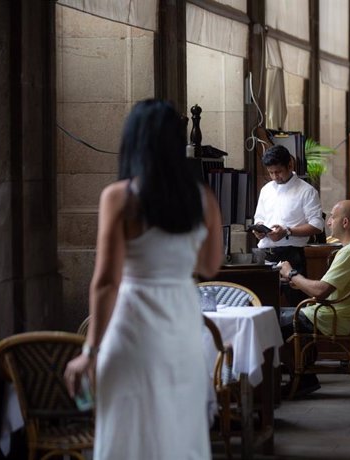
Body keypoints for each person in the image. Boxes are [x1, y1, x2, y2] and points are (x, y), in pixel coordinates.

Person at [64, 100, 223, 460]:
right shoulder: (203, 200)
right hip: (182, 328)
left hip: (133, 326)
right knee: (177, 430)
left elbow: (106, 282)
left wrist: (89, 351)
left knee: (129, 433)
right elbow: (211, 266)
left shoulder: (120, 198)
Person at [277, 200, 350, 396]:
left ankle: (291, 380)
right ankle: (304, 377)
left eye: (333, 218)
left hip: (331, 317)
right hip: (334, 313)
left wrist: (291, 273)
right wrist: (300, 282)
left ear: (344, 222)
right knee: (278, 316)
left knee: (269, 321)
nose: (328, 223)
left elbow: (320, 292)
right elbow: (326, 287)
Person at [252, 144, 324, 308]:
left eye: (278, 171)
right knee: (262, 304)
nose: (275, 176)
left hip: (292, 254)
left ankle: (296, 334)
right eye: (271, 173)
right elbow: (260, 218)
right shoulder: (266, 190)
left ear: (290, 165)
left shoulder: (307, 191)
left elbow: (317, 225)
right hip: (266, 254)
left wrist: (287, 231)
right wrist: (259, 230)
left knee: (296, 305)